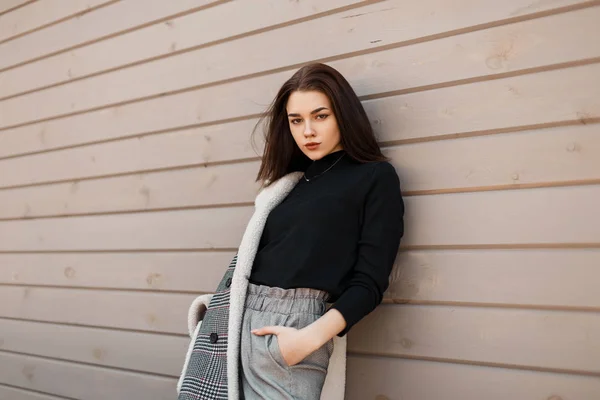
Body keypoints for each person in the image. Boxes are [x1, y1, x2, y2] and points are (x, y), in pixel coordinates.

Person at [177, 62, 404, 400]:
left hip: (293, 335)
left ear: (344, 114)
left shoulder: (374, 178)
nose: (307, 131)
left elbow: (369, 282)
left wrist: (306, 341)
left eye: (320, 116)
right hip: (237, 325)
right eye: (296, 120)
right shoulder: (291, 184)